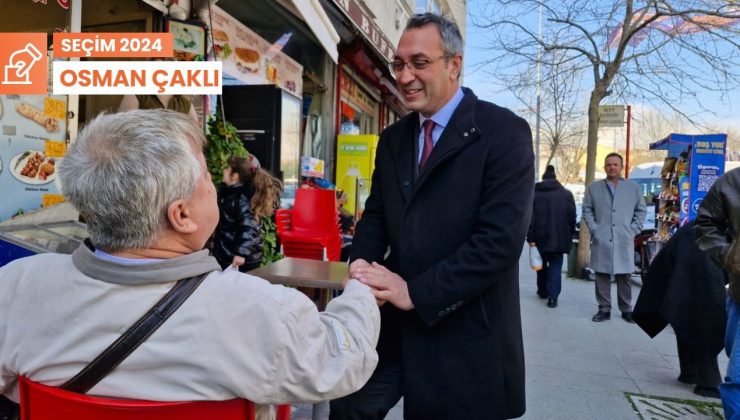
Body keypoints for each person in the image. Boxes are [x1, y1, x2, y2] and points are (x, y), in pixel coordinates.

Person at [0, 110, 380, 411]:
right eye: (208, 181)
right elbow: (346, 360)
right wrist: (360, 294)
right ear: (181, 215)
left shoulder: (16, 287)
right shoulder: (261, 311)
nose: (215, 187)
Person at [330, 13, 534, 420]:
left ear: (453, 64)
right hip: (390, 329)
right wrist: (361, 269)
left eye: (419, 63)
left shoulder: (504, 133)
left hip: (465, 333)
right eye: (399, 64)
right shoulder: (393, 139)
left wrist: (416, 293)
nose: (405, 76)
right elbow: (376, 217)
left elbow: (499, 243)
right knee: (349, 407)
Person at [634, 222, 726, 399]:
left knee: (687, 303)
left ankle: (690, 371)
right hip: (704, 244)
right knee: (707, 309)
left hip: (699, 240)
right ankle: (707, 382)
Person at [694, 167, 740, 417]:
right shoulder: (731, 182)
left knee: (737, 376)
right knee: (737, 374)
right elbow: (705, 223)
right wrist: (728, 255)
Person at [582, 152, 647, 323]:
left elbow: (641, 210)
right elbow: (587, 209)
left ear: (622, 167)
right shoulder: (594, 188)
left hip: (624, 238)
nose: (612, 167)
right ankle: (604, 309)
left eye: (615, 164)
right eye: (608, 164)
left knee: (624, 275)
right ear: (604, 167)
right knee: (601, 274)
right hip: (602, 237)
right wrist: (595, 229)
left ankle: (626, 309)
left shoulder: (633, 188)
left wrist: (633, 230)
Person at [213, 155, 281, 272]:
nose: (223, 171)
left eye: (227, 169)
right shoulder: (228, 193)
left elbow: (248, 228)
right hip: (229, 253)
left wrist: (241, 253)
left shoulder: (242, 199)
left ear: (235, 176)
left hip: (242, 258)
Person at [527, 165, 576, 308]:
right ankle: (553, 297)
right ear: (555, 178)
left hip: (538, 236)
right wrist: (570, 233)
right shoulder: (566, 194)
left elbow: (529, 217)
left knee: (539, 264)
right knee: (556, 265)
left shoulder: (534, 194)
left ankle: (542, 290)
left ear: (543, 179)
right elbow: (572, 216)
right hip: (559, 237)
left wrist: (530, 237)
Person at [118, 94, 199, 122]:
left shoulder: (185, 103)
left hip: (178, 155)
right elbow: (122, 127)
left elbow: (196, 136)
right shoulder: (137, 94)